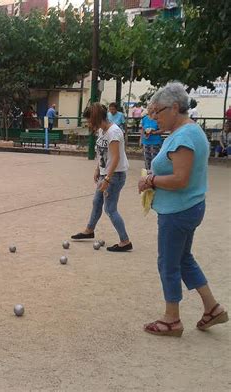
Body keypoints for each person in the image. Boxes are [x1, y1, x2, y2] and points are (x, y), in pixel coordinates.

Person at [138, 82, 228, 337]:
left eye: (158, 112)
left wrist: (150, 180)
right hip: (187, 207)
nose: (154, 118)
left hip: (178, 211)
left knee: (168, 263)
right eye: (152, 113)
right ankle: (212, 307)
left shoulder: (184, 136)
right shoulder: (189, 132)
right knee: (183, 258)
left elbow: (180, 179)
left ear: (175, 108)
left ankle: (171, 319)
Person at [71, 103, 132, 252]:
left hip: (114, 176)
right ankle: (89, 230)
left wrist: (107, 179)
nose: (88, 123)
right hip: (106, 173)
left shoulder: (114, 132)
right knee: (96, 201)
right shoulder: (102, 131)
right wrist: (98, 168)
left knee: (110, 209)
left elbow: (116, 158)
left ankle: (125, 241)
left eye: (89, 120)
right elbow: (103, 153)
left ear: (96, 118)